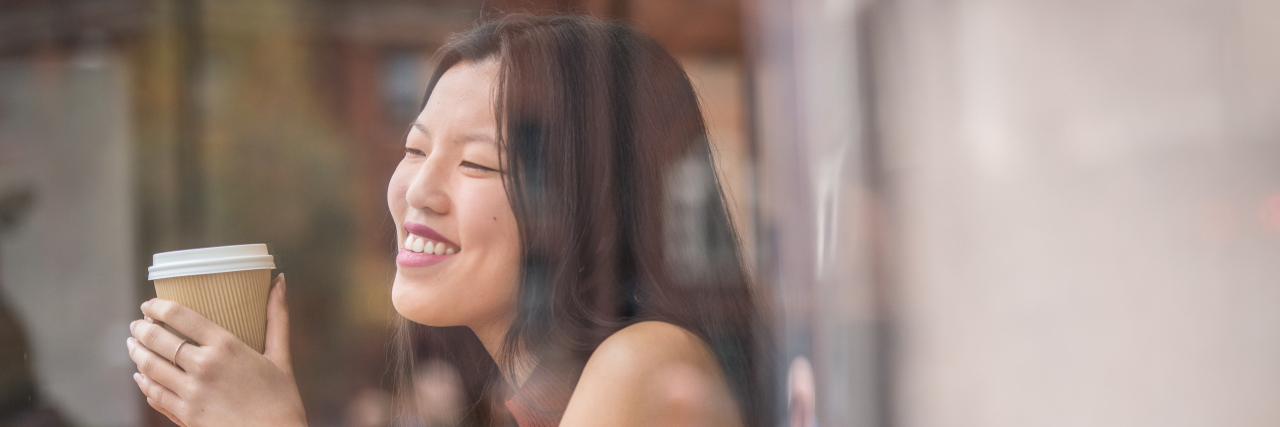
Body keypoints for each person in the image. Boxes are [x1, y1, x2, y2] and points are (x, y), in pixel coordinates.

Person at [124, 13, 774, 427]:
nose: (418, 191)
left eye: (478, 164)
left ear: (587, 206)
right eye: (414, 149)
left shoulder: (647, 365)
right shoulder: (516, 395)